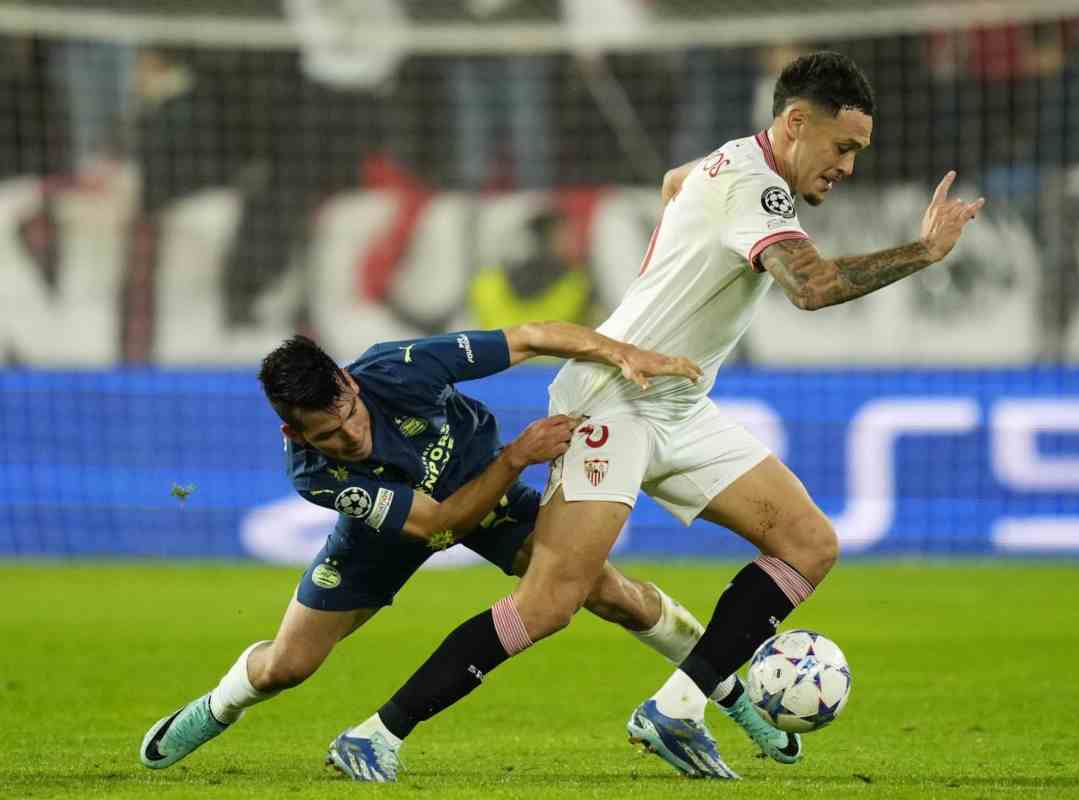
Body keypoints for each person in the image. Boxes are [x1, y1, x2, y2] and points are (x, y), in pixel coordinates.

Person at [323, 51, 986, 781]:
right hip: (612, 401)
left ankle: (677, 708)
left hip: (676, 401)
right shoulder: (755, 189)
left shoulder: (733, 162)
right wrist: (925, 251)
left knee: (808, 543)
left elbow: (675, 182)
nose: (848, 167)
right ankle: (375, 734)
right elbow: (812, 287)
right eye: (843, 147)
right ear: (797, 123)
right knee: (549, 603)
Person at [137, 320, 764, 779]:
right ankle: (216, 708)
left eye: (350, 414)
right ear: (292, 431)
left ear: (348, 382)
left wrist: (619, 351)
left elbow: (531, 337)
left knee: (609, 593)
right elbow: (437, 527)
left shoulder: (400, 367)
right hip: (384, 541)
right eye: (328, 434)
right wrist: (516, 457)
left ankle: (722, 695)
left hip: (489, 500)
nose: (351, 437)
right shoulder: (314, 473)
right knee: (287, 667)